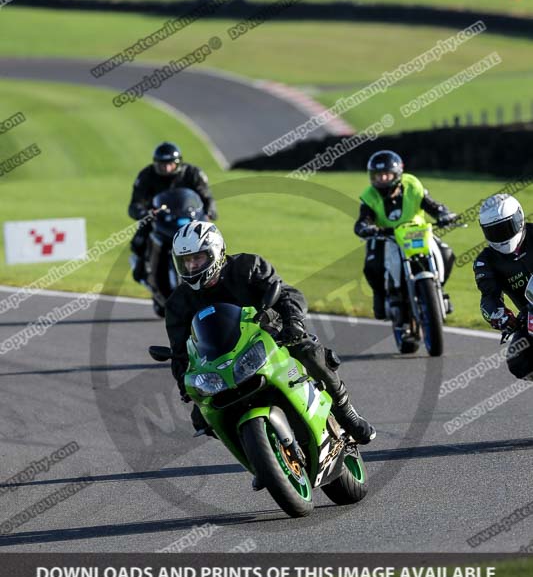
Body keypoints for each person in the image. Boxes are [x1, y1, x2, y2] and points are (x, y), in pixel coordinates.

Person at [165, 220, 376, 469]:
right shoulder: (178, 303)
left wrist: (293, 323)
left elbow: (288, 294)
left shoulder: (247, 266)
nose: (192, 266)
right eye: (186, 261)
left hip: (271, 337)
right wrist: (184, 384)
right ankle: (259, 460)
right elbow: (180, 351)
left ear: (216, 252)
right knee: (202, 417)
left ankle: (346, 412)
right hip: (222, 365)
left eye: (198, 259)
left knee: (310, 353)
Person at [354, 150, 458, 323]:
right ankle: (380, 298)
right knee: (372, 265)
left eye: (386, 175)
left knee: (447, 253)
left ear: (397, 174)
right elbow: (362, 220)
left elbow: (432, 205)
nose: (382, 180)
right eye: (377, 176)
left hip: (418, 232)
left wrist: (444, 214)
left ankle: (438, 289)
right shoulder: (369, 196)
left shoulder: (413, 185)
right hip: (387, 237)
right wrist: (366, 227)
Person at [128, 142, 217, 282]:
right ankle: (142, 269)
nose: (166, 168)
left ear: (178, 162)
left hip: (190, 218)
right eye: (162, 164)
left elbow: (206, 196)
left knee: (213, 239)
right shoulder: (146, 175)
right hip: (160, 219)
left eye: (170, 163)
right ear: (155, 163)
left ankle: (217, 270)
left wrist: (210, 211)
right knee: (138, 242)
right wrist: (144, 213)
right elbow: (135, 203)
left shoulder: (192, 173)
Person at [474, 193, 533, 380]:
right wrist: (499, 315)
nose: (502, 236)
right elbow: (489, 297)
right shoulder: (485, 261)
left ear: (519, 218)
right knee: (518, 361)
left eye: (506, 228)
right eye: (495, 231)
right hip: (529, 316)